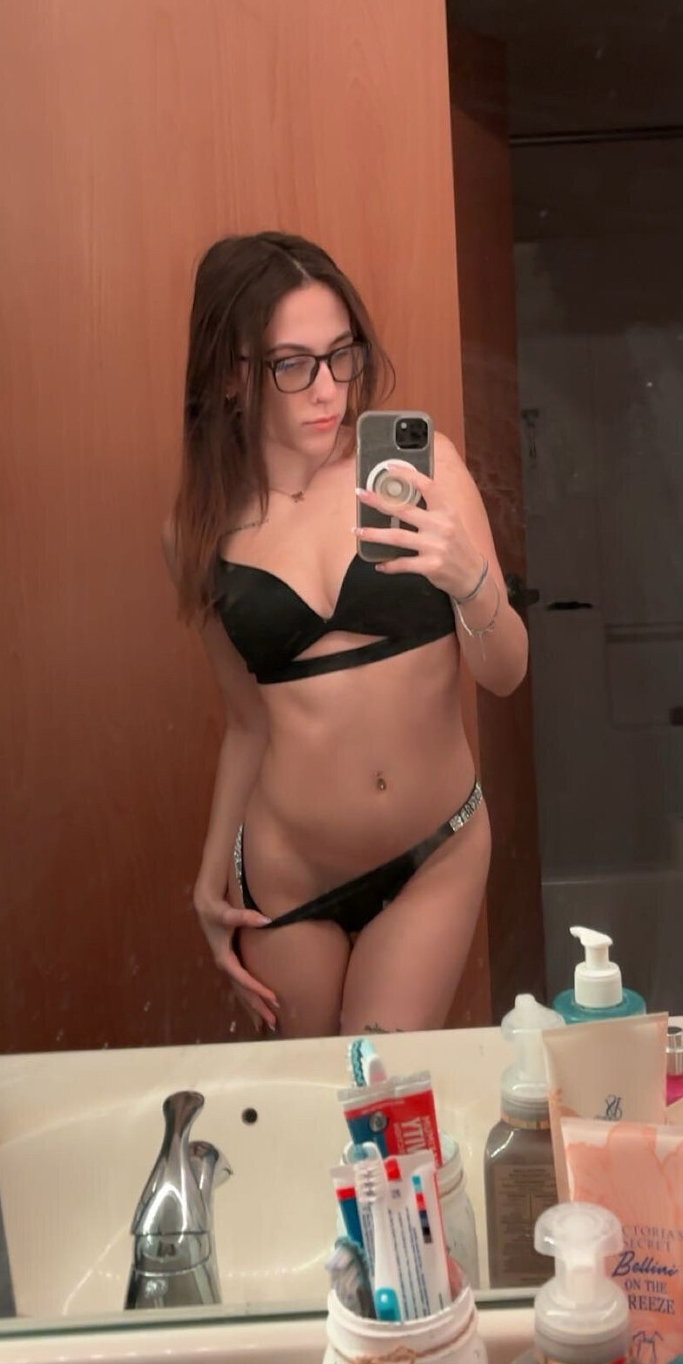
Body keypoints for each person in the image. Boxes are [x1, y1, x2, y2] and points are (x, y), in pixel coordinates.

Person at [165, 231, 529, 1038]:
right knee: (310, 1097)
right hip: (286, 878)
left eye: (342, 355)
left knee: (381, 1091)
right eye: (292, 365)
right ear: (230, 375)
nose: (327, 388)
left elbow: (506, 672)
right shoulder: (200, 529)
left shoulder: (424, 470)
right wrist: (209, 881)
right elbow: (246, 724)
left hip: (434, 850)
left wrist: (468, 576)